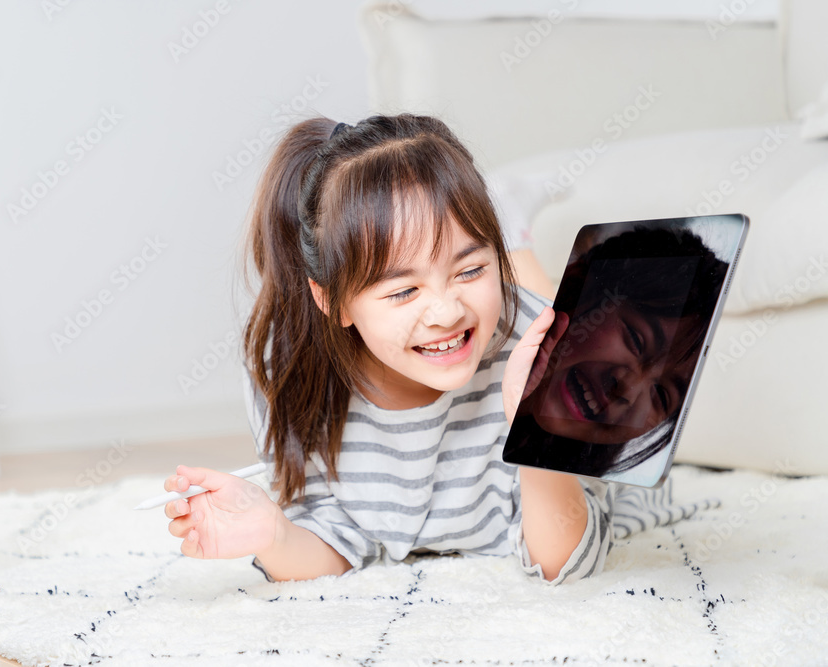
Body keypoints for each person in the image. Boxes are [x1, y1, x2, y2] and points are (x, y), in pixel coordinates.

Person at [161, 114, 716, 585]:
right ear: (334, 302)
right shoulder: (285, 364)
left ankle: (513, 244)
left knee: (532, 306)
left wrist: (534, 426)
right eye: (403, 290)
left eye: (470, 267)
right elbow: (336, 532)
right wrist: (274, 534)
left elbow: (563, 561)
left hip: (551, 406)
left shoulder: (538, 349)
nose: (445, 311)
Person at [506, 226, 728, 480]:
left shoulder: (586, 488)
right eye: (635, 339)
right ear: (578, 283)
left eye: (662, 395)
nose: (627, 389)